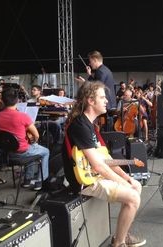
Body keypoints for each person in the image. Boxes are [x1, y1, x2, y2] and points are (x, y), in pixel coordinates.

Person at [62, 81, 146, 247]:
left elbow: (106, 159)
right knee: (133, 197)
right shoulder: (80, 125)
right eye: (102, 97)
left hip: (94, 175)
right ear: (90, 101)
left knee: (135, 187)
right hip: (84, 182)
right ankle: (119, 243)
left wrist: (126, 178)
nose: (107, 100)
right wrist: (123, 183)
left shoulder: (90, 125)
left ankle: (122, 235)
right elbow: (98, 166)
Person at [0, 87, 50, 191]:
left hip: (6, 154)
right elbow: (36, 135)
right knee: (45, 151)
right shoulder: (22, 116)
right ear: (17, 101)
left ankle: (27, 180)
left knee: (30, 147)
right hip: (21, 153)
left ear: (2, 101)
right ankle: (40, 182)